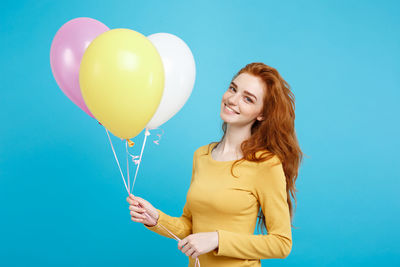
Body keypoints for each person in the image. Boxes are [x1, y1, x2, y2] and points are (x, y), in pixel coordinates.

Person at [126, 62, 303, 266]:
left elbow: (281, 244)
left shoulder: (265, 165)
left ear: (261, 114)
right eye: (233, 88)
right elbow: (190, 227)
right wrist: (156, 218)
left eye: (248, 99)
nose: (232, 100)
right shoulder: (201, 156)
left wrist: (217, 239)